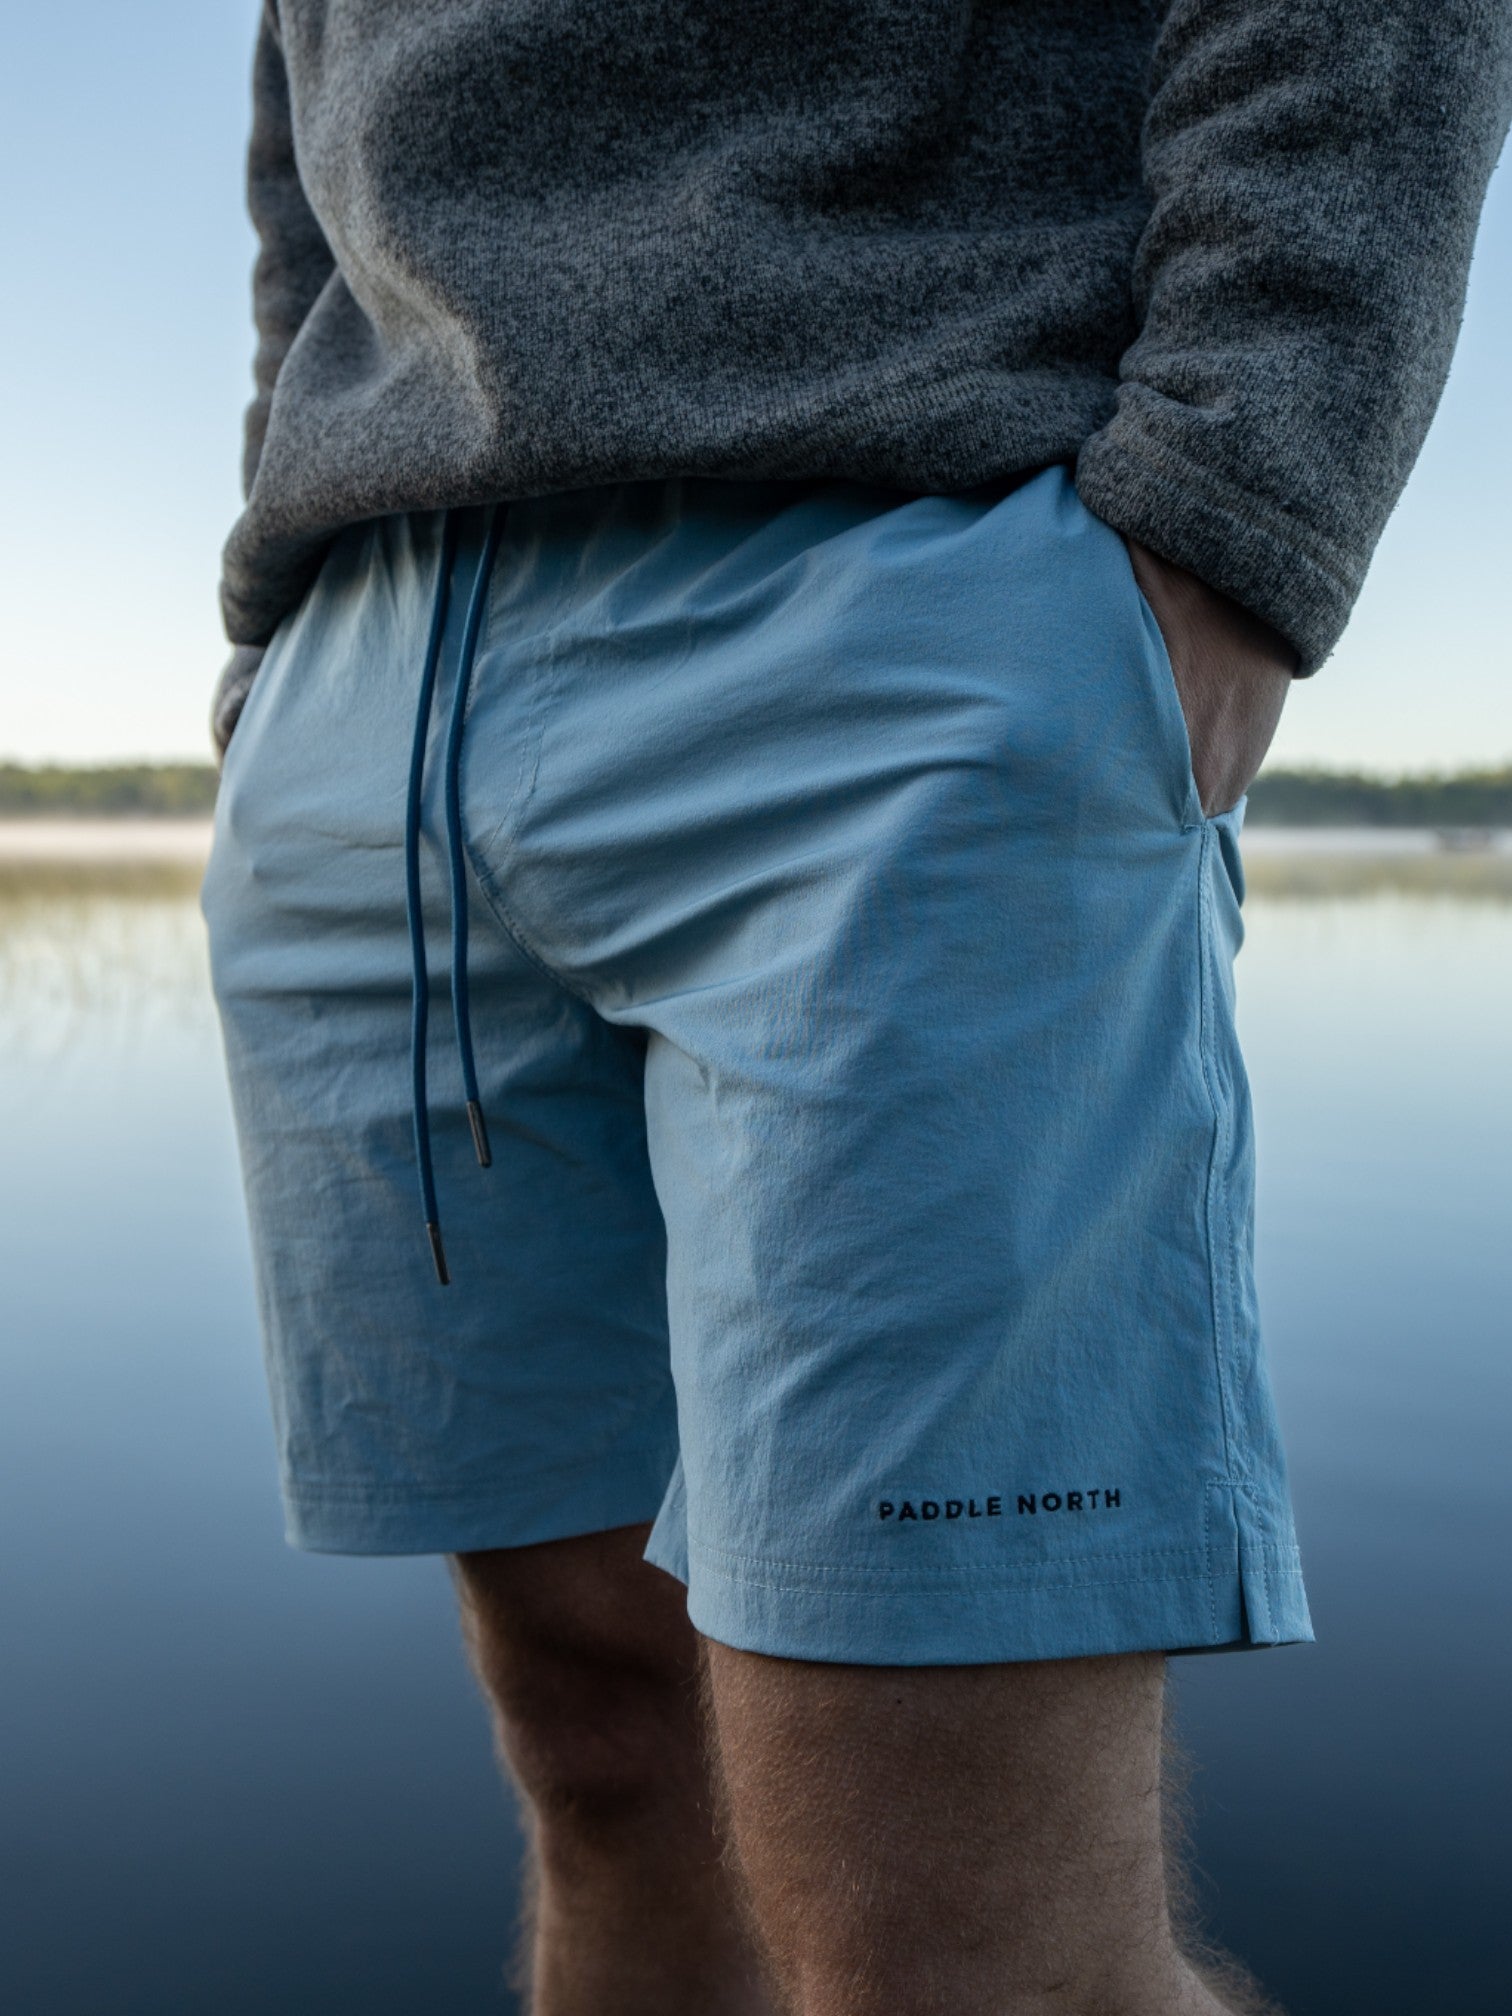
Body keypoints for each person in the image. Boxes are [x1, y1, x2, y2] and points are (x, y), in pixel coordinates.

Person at [201, 6, 1510, 2012]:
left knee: (966, 1946)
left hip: (903, 606)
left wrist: (1239, 515)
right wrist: (268, 643)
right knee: (600, 1746)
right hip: (367, 691)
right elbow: (308, 143)